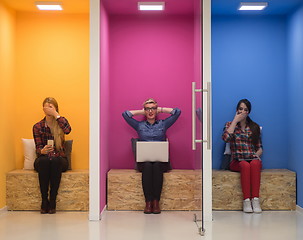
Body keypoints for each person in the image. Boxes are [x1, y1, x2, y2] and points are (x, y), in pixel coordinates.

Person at [122, 98, 181, 214]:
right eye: (148, 109)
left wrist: (160, 109)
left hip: (161, 161)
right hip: (144, 162)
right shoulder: (139, 125)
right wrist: (141, 111)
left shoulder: (163, 124)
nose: (150, 111)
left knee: (157, 165)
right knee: (149, 166)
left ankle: (156, 202)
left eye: (153, 108)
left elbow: (177, 112)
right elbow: (125, 114)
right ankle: (148, 202)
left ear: (156, 110)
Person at [222, 99, 263, 213]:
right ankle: (246, 201)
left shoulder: (254, 127)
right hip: (237, 161)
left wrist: (256, 155)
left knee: (254, 163)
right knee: (245, 165)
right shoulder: (230, 125)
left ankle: (255, 200)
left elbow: (259, 148)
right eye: (240, 109)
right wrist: (235, 121)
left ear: (248, 112)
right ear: (237, 110)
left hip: (252, 158)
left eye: (245, 109)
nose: (243, 111)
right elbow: (226, 139)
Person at [33, 97, 71, 214]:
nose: (48, 109)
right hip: (43, 159)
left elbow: (68, 130)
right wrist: (42, 151)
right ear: (43, 109)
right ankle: (44, 201)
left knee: (54, 161)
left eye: (51, 106)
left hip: (59, 159)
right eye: (46, 106)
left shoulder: (60, 123)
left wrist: (56, 115)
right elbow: (38, 146)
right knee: (45, 161)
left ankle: (53, 200)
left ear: (55, 108)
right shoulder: (38, 126)